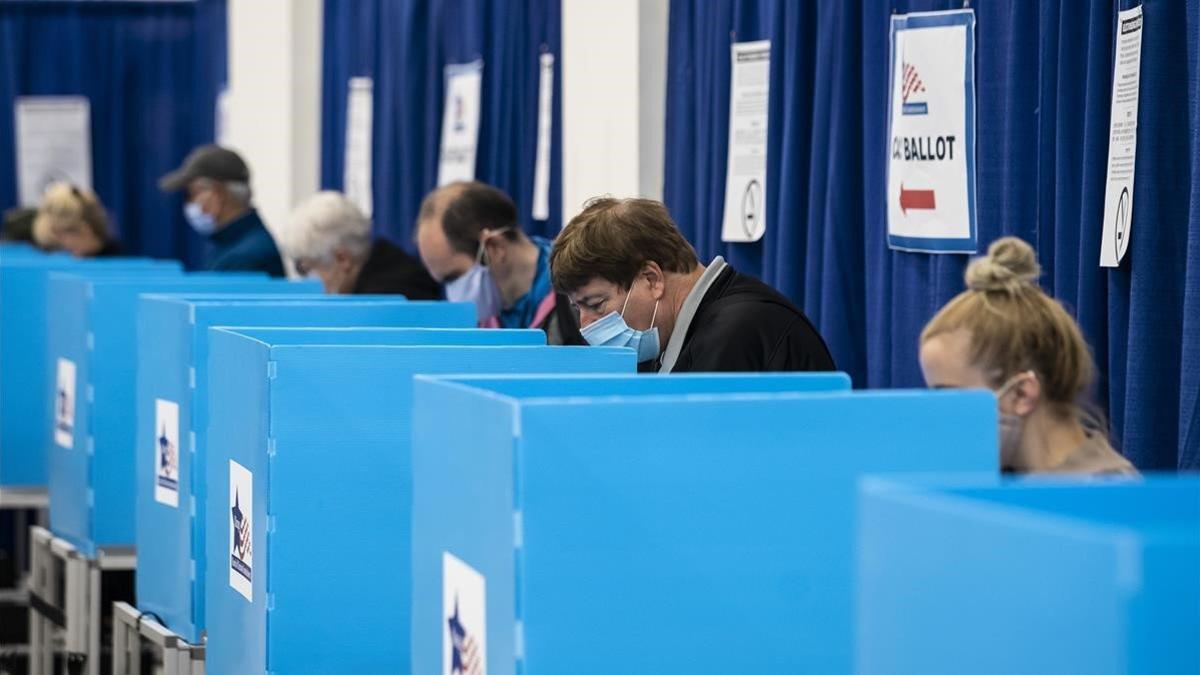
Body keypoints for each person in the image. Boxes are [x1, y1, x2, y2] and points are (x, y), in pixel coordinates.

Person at [919, 236, 1137, 475]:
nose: (938, 420)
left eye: (949, 397)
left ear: (1021, 394)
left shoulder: (1107, 499)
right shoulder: (991, 479)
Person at [551, 197, 835, 373]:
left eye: (597, 305)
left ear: (652, 279)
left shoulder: (737, 333)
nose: (585, 325)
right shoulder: (671, 333)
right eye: (578, 308)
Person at [415, 181, 584, 344]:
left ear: (493, 247)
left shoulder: (582, 299)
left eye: (453, 278)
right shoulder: (482, 318)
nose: (452, 296)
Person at [284, 191, 440, 297]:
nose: (305, 278)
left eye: (306, 268)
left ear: (342, 259)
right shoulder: (387, 263)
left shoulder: (390, 298)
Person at [159, 145, 284, 276]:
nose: (189, 203)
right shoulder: (231, 245)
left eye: (192, 194)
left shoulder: (243, 259)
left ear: (218, 194)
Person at [31, 183, 121, 257]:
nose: (61, 242)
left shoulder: (119, 265)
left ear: (86, 230)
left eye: (60, 234)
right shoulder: (63, 260)